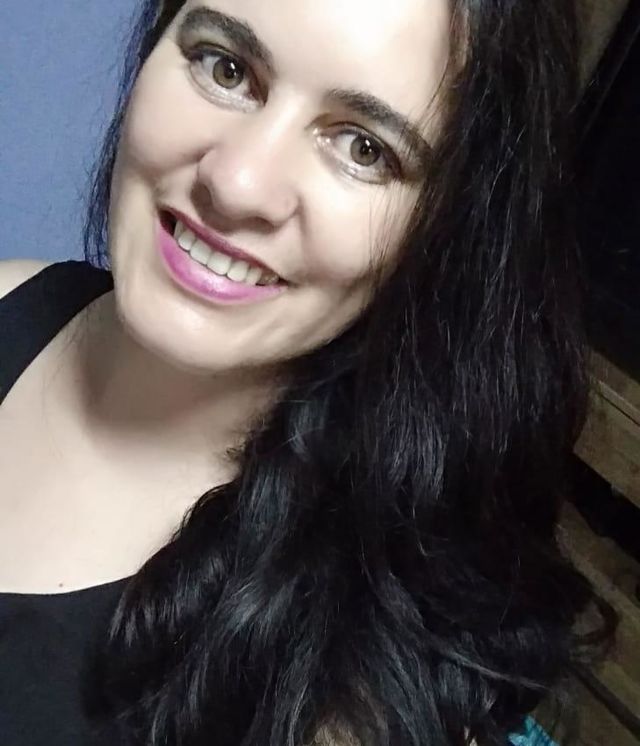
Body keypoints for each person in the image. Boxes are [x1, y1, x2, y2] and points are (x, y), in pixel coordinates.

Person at [0, 0, 610, 744]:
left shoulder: (345, 699)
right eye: (227, 69)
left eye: (363, 148)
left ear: (446, 230)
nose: (237, 184)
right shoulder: (10, 293)